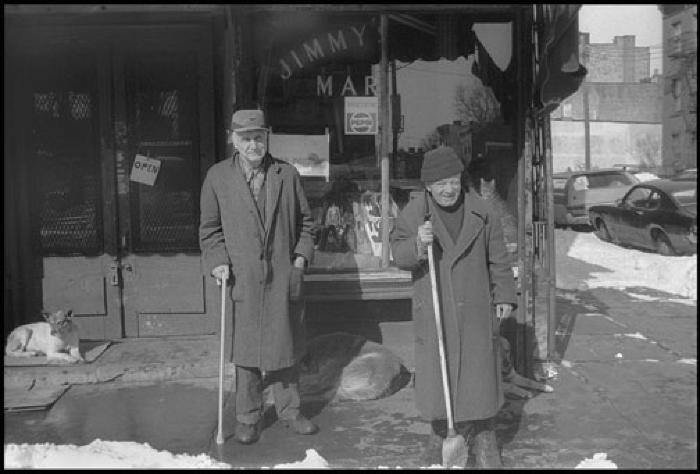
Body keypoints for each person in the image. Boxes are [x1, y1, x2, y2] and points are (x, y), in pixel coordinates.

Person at [390, 146, 517, 468]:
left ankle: (486, 438)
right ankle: (439, 434)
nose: (448, 189)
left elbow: (499, 259)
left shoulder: (482, 211)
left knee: (479, 377)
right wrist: (418, 243)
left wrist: (504, 295)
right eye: (440, 183)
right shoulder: (414, 212)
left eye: (453, 181)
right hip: (435, 309)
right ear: (427, 186)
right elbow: (398, 255)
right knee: (439, 377)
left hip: (475, 306)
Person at [199, 108, 318, 445]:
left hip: (283, 273)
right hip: (242, 277)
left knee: (285, 345)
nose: (253, 144)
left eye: (258, 137)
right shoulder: (218, 177)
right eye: (245, 138)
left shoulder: (287, 174)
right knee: (246, 351)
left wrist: (300, 259)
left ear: (267, 137)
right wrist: (218, 260)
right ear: (232, 140)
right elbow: (209, 231)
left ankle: (290, 410)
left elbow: (307, 224)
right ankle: (248, 416)